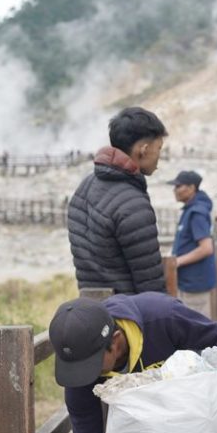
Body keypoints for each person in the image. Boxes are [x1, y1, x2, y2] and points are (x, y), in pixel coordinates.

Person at [49, 292, 217, 433]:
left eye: (91, 365)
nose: (85, 374)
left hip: (191, 425)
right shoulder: (80, 375)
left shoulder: (163, 316)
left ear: (116, 342)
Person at [68, 106, 167, 294]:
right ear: (143, 150)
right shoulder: (133, 204)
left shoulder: (85, 186)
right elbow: (150, 285)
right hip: (127, 314)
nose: (159, 157)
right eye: (159, 148)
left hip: (92, 311)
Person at [168, 170, 217, 318]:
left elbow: (206, 248)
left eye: (178, 186)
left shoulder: (197, 212)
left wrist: (176, 262)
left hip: (195, 284)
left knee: (196, 330)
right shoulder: (190, 210)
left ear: (191, 188)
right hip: (190, 280)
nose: (174, 190)